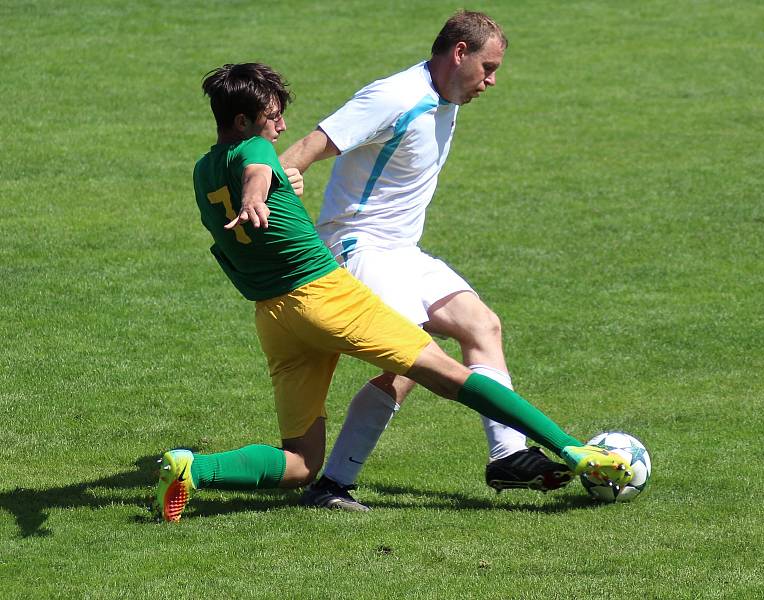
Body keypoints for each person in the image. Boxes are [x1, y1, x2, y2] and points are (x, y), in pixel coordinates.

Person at [152, 62, 632, 522]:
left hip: (274, 317)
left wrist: (271, 187)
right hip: (326, 299)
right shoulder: (253, 154)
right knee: (447, 375)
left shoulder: (202, 171)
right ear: (243, 121)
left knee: (299, 464)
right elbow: (258, 166)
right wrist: (258, 193)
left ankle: (192, 469)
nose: (280, 126)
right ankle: (571, 448)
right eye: (273, 117)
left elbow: (237, 227)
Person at [279, 11, 566, 511]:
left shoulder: (446, 95)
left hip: (402, 252)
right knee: (408, 364)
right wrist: (283, 180)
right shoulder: (394, 97)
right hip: (357, 245)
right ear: (459, 53)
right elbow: (301, 151)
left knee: (482, 326)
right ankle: (332, 486)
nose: (492, 81)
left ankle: (507, 456)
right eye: (489, 67)